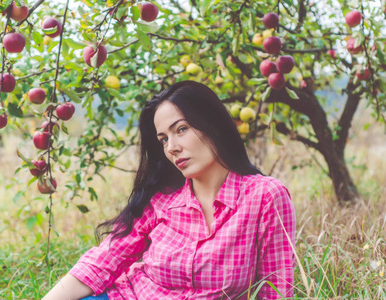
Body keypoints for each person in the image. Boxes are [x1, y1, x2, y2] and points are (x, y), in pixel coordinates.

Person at [42, 81, 296, 300]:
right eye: (163, 139)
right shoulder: (162, 197)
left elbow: (276, 290)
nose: (171, 147)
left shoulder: (264, 196)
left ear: (214, 125)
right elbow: (103, 260)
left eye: (181, 129)